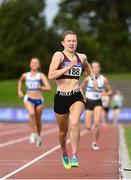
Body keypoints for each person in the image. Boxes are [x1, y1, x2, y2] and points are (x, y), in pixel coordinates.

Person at [48, 30, 97, 169]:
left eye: (74, 41)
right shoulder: (58, 56)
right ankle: (64, 152)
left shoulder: (81, 57)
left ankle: (75, 155)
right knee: (62, 132)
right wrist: (69, 66)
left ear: (77, 42)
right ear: (63, 43)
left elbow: (87, 67)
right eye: (69, 41)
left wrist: (93, 78)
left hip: (76, 95)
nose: (71, 43)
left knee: (74, 123)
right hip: (60, 98)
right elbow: (51, 75)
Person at [18, 57, 51, 147]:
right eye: (32, 63)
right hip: (28, 98)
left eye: (36, 63)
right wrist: (20, 91)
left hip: (39, 100)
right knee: (31, 113)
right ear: (30, 64)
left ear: (39, 65)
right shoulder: (25, 75)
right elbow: (20, 81)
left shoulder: (41, 75)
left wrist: (40, 87)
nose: (34, 64)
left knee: (38, 121)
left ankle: (39, 136)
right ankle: (32, 133)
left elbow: (49, 88)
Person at [81, 61, 112, 150]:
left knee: (97, 123)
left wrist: (105, 94)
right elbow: (80, 88)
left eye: (97, 67)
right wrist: (83, 97)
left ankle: (95, 142)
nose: (95, 69)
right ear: (91, 68)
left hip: (98, 102)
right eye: (93, 67)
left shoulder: (104, 79)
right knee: (87, 127)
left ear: (99, 68)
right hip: (88, 102)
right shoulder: (87, 79)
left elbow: (110, 90)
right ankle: (89, 127)